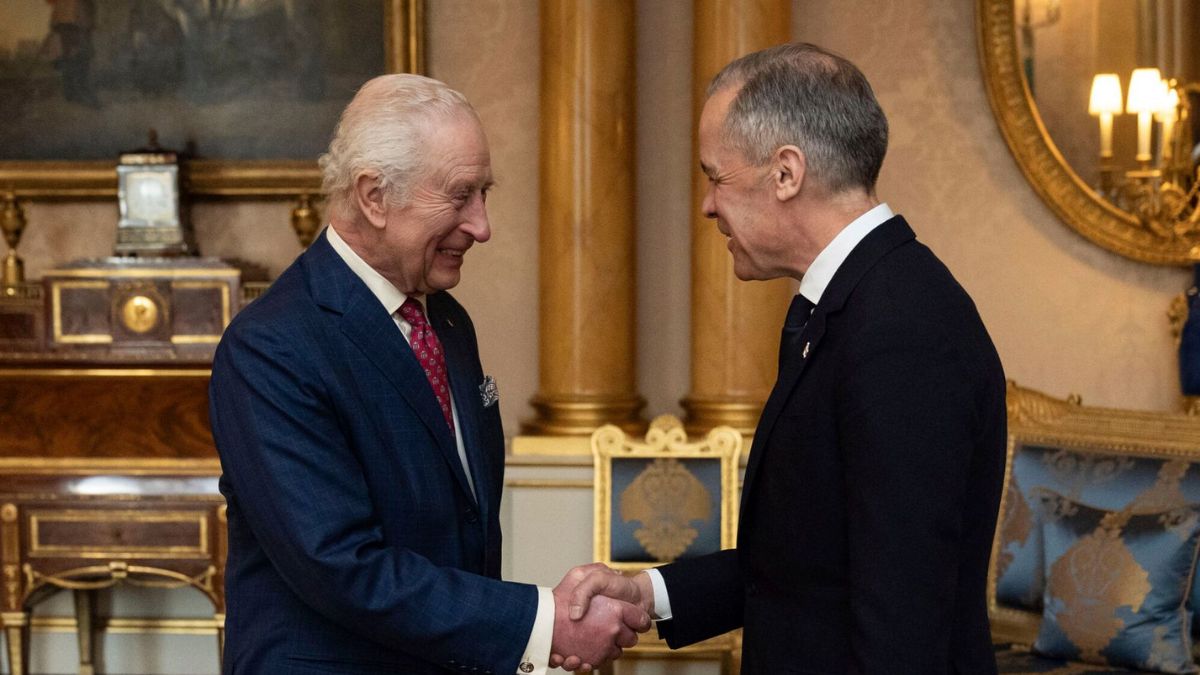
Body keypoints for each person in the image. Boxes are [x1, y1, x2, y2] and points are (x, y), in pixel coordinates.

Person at [562, 43, 1007, 674]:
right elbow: (802, 562)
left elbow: (902, 620)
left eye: (716, 177)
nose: (708, 205)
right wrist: (648, 594)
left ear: (786, 173)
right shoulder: (860, 302)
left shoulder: (901, 330)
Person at [209, 74, 649, 675]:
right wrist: (541, 623)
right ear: (374, 197)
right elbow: (341, 565)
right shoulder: (273, 346)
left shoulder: (446, 322)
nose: (482, 225)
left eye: (484, 194)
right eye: (461, 195)